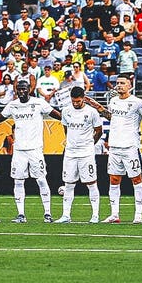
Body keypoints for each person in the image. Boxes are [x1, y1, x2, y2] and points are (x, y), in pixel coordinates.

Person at [0, 79, 59, 223]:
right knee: (18, 181)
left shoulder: (39, 103)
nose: (22, 91)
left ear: (30, 89)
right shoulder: (12, 105)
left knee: (41, 180)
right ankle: (21, 215)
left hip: (35, 149)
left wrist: (69, 120)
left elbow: (55, 114)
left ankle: (48, 213)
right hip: (19, 150)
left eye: (24, 89)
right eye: (19, 89)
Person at [96, 74, 142, 223]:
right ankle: (114, 214)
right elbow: (113, 118)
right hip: (115, 146)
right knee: (114, 179)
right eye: (117, 83)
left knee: (136, 179)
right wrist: (98, 107)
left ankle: (138, 215)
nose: (119, 85)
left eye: (122, 83)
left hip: (130, 146)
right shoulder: (113, 101)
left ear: (130, 85)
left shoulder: (138, 102)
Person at [58, 86, 105, 224]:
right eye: (74, 101)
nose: (76, 103)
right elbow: (65, 128)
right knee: (69, 183)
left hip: (86, 153)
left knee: (91, 183)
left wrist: (90, 143)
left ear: (84, 98)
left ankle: (95, 215)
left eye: (78, 101)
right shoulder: (66, 111)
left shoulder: (92, 112)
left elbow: (99, 130)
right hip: (71, 152)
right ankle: (66, 215)